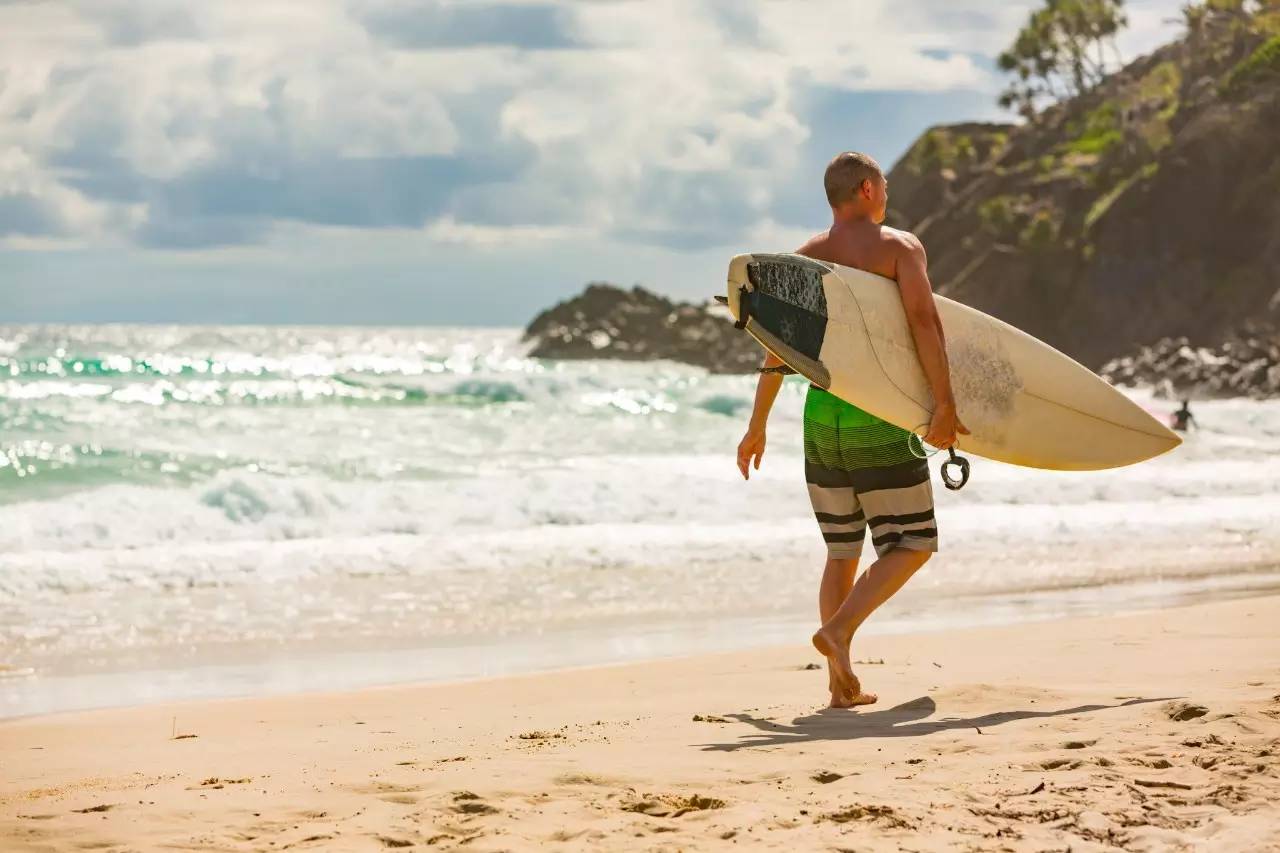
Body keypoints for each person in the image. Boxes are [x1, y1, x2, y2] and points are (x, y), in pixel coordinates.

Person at [736, 152, 966, 708]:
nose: (887, 188)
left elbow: (779, 349)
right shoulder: (899, 248)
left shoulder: (803, 259)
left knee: (843, 552)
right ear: (866, 190)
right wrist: (945, 404)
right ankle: (839, 632)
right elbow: (922, 321)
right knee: (912, 542)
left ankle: (840, 684)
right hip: (877, 415)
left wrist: (757, 426)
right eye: (883, 182)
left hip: (820, 418)